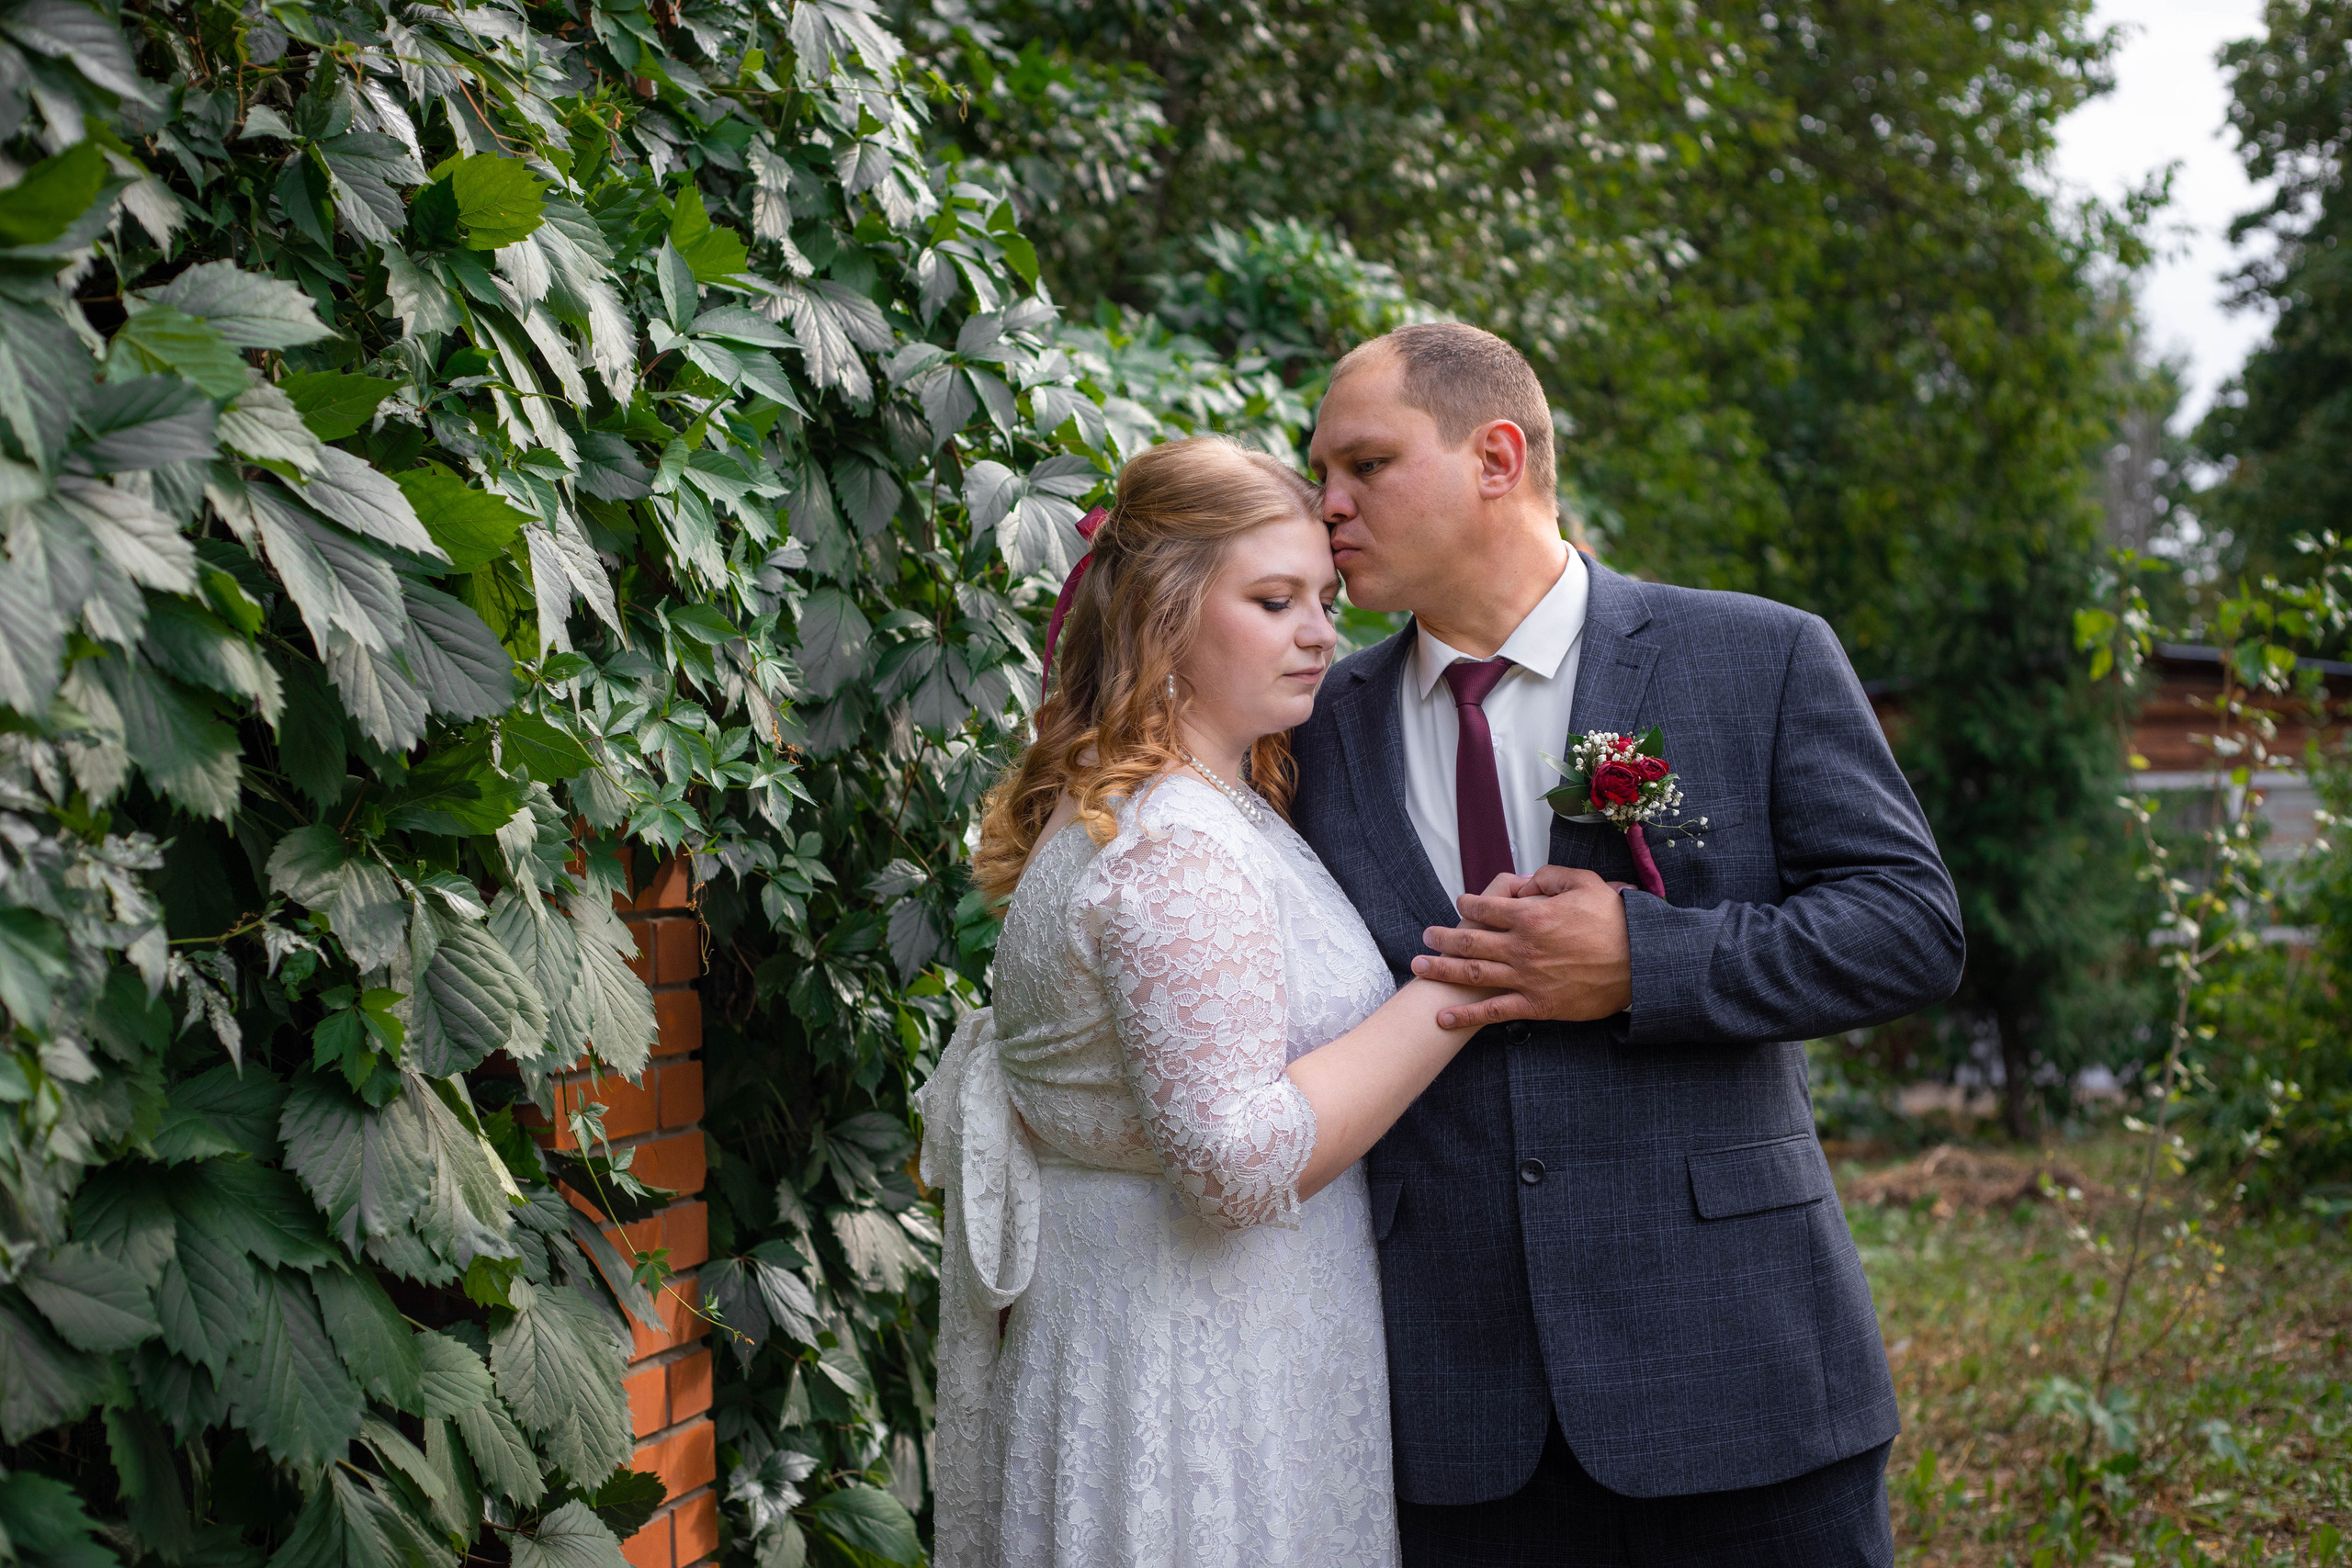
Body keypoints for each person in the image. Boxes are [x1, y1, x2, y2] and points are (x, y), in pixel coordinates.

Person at [1290, 321, 1966, 1567]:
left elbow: (1910, 928)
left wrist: (1644, 959)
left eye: (1364, 465)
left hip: (1741, 1381)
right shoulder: (1313, 724)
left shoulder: (1756, 657)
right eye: (1319, 470)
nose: (1325, 503)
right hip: (1449, 1420)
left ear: (1496, 456)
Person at [921, 435, 1488, 1567]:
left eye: (1322, 599)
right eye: (1273, 601)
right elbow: (1232, 1161)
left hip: (1178, 1335)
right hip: (1188, 1381)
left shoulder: (1185, 810)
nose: (1320, 632)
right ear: (1163, 617)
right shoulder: (1176, 848)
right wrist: (1463, 991)